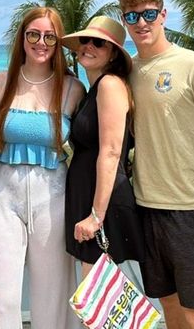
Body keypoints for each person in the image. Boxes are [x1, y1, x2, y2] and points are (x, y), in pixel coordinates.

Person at [118, 0, 194, 329]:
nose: (142, 23)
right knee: (168, 302)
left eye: (149, 14)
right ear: (124, 20)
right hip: (145, 206)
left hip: (190, 209)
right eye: (132, 16)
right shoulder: (127, 71)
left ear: (163, 15)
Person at [0, 7, 84, 329]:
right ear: (22, 38)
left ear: (57, 42)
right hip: (2, 196)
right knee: (2, 297)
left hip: (53, 197)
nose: (41, 42)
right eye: (33, 34)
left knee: (51, 296)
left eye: (50, 36)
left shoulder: (72, 89)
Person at [61, 16, 145, 277]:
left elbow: (110, 152)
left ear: (112, 55)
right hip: (90, 193)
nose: (89, 46)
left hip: (100, 199)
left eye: (99, 43)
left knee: (96, 296)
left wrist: (96, 216)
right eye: (85, 40)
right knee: (94, 294)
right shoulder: (93, 89)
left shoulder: (109, 85)